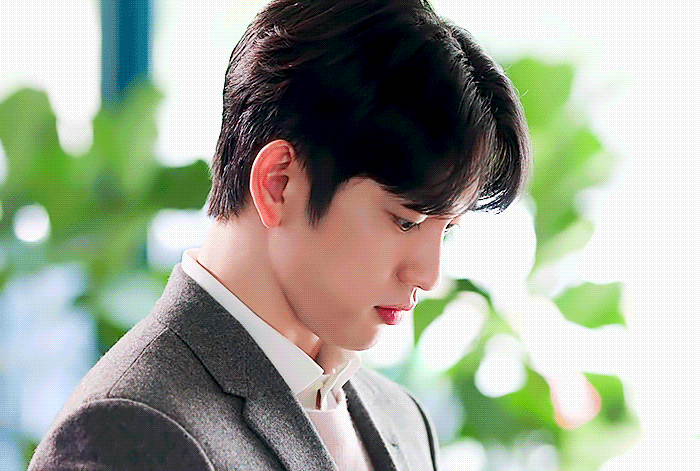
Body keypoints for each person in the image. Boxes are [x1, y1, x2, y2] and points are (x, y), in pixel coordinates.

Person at [28, 0, 530, 469]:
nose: (428, 274)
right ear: (279, 183)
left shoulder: (403, 418)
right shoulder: (127, 431)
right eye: (407, 221)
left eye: (448, 229)